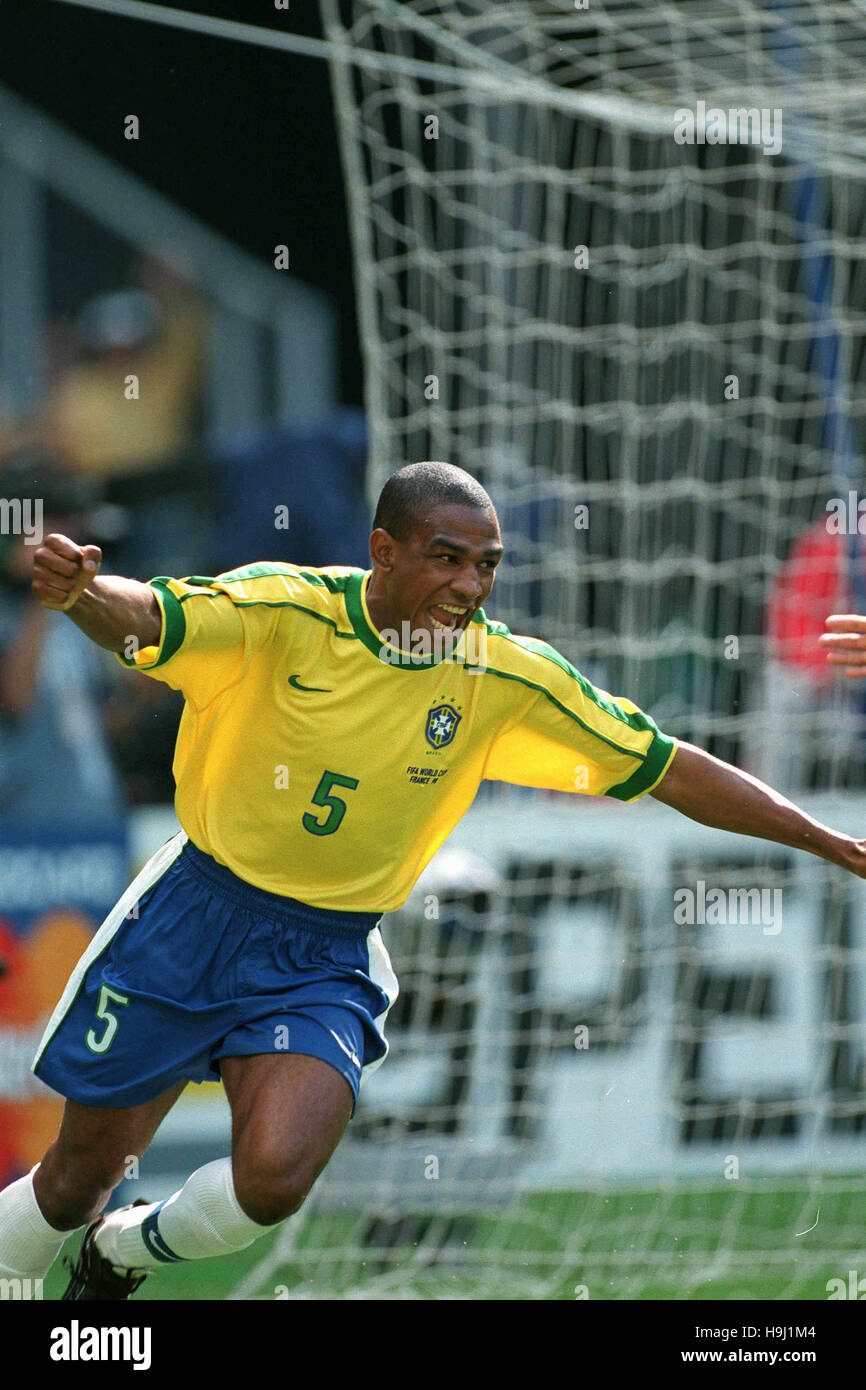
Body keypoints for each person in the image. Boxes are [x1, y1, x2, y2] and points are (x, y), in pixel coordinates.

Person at [1, 460, 865, 1302]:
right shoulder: (284, 611)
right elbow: (150, 619)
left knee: (273, 1181)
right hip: (196, 913)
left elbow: (666, 766)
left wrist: (830, 840)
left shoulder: (505, 677)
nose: (468, 584)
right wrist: (81, 593)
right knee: (75, 1181)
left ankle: (122, 1253)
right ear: (383, 550)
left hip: (324, 953)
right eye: (446, 557)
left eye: (486, 564)